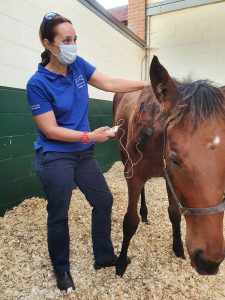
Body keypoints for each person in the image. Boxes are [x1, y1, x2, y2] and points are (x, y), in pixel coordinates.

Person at [26, 12, 149, 292]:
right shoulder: (37, 84)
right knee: (59, 214)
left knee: (103, 200)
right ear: (48, 44)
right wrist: (88, 136)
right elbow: (50, 130)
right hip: (55, 155)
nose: (72, 45)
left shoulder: (78, 66)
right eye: (66, 40)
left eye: (75, 39)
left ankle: (103, 255)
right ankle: (62, 269)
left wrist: (147, 84)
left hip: (82, 154)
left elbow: (110, 83)